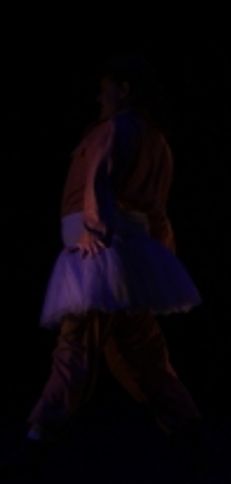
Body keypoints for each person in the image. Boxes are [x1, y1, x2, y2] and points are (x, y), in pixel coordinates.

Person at [28, 57, 202, 446]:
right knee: (139, 347)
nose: (97, 96)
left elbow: (97, 183)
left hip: (101, 252)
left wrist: (95, 227)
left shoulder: (115, 128)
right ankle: (186, 425)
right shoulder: (157, 139)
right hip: (131, 255)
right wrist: (157, 259)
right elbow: (155, 210)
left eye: (105, 87)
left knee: (78, 342)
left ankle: (41, 430)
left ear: (124, 89)